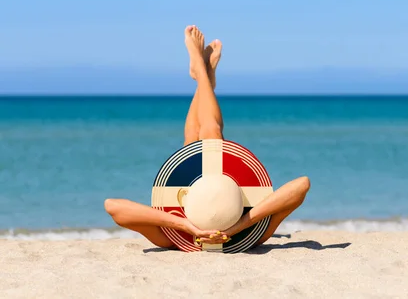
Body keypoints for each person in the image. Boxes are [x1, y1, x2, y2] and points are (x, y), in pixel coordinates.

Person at [104, 25, 310, 248]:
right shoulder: (254, 236)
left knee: (195, 138)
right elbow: (302, 185)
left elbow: (113, 206)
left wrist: (186, 226)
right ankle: (203, 75)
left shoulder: (172, 240)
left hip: (188, 220)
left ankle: (202, 74)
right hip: (237, 223)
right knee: (210, 132)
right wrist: (239, 226)